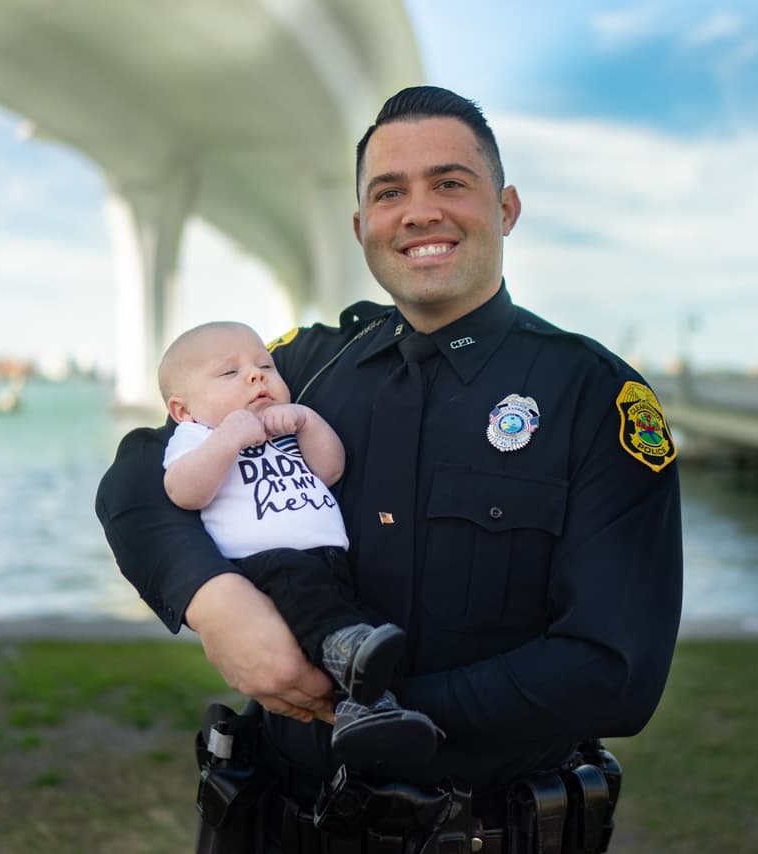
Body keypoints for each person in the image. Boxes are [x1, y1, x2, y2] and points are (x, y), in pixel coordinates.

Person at [97, 86, 683, 853]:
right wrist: (213, 600)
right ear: (361, 226)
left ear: (505, 208)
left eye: (449, 183)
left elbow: (616, 671)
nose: (419, 212)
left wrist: (363, 710)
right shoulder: (306, 362)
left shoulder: (593, 396)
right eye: (388, 193)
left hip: (482, 833)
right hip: (274, 826)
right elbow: (142, 467)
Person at [156, 319, 442, 769]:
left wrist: (307, 422)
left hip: (328, 559)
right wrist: (229, 439)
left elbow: (329, 470)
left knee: (365, 621)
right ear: (183, 410)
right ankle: (345, 652)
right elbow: (184, 491)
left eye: (264, 365)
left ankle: (367, 710)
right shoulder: (197, 437)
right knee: (313, 600)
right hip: (266, 564)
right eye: (229, 373)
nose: (256, 375)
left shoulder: (286, 426)